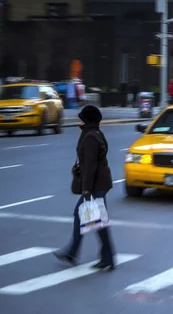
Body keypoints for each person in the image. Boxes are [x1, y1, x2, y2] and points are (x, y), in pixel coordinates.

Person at [54, 105, 116, 270]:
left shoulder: (90, 137)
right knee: (92, 219)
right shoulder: (95, 133)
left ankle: (99, 256)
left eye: (81, 117)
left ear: (87, 119)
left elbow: (90, 166)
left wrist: (86, 189)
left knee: (95, 220)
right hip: (100, 183)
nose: (78, 119)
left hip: (96, 184)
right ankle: (76, 253)